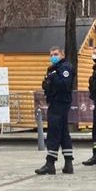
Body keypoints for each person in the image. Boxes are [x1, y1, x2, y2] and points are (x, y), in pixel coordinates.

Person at [35, 46, 76, 175]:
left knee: (53, 132)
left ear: (62, 55)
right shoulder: (53, 69)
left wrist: (52, 80)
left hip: (60, 102)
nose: (53, 56)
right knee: (63, 132)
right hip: (55, 101)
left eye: (56, 54)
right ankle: (68, 163)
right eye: (51, 54)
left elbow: (64, 84)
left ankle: (50, 163)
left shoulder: (65, 67)